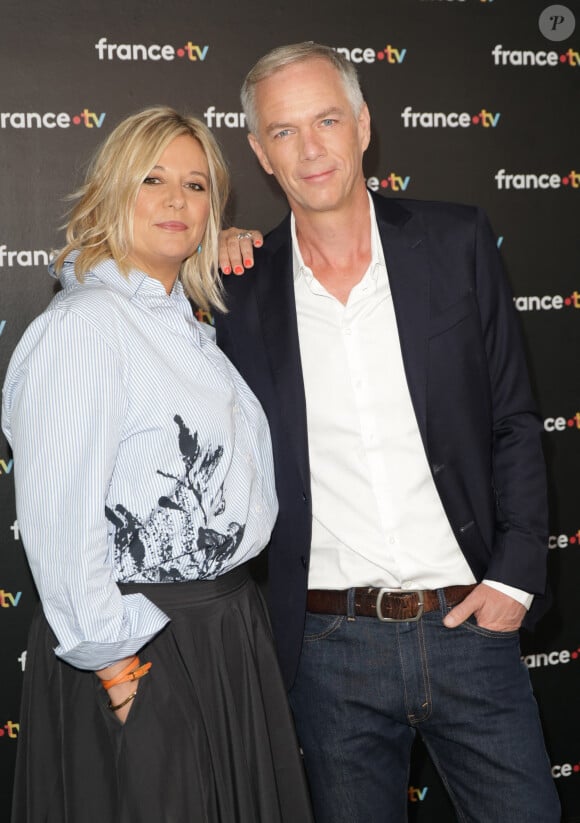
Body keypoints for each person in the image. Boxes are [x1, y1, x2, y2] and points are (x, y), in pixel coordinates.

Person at [214, 43, 561, 822]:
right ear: (259, 151)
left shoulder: (457, 242)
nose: (310, 149)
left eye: (327, 119)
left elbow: (512, 416)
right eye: (284, 131)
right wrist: (221, 244)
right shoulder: (238, 288)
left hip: (470, 624)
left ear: (364, 125)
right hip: (328, 652)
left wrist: (513, 578)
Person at [1, 106, 313, 823]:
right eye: (154, 179)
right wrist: (116, 667)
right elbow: (58, 516)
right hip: (141, 644)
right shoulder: (85, 328)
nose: (178, 200)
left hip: (225, 632)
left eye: (197, 185)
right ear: (112, 191)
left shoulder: (189, 324)